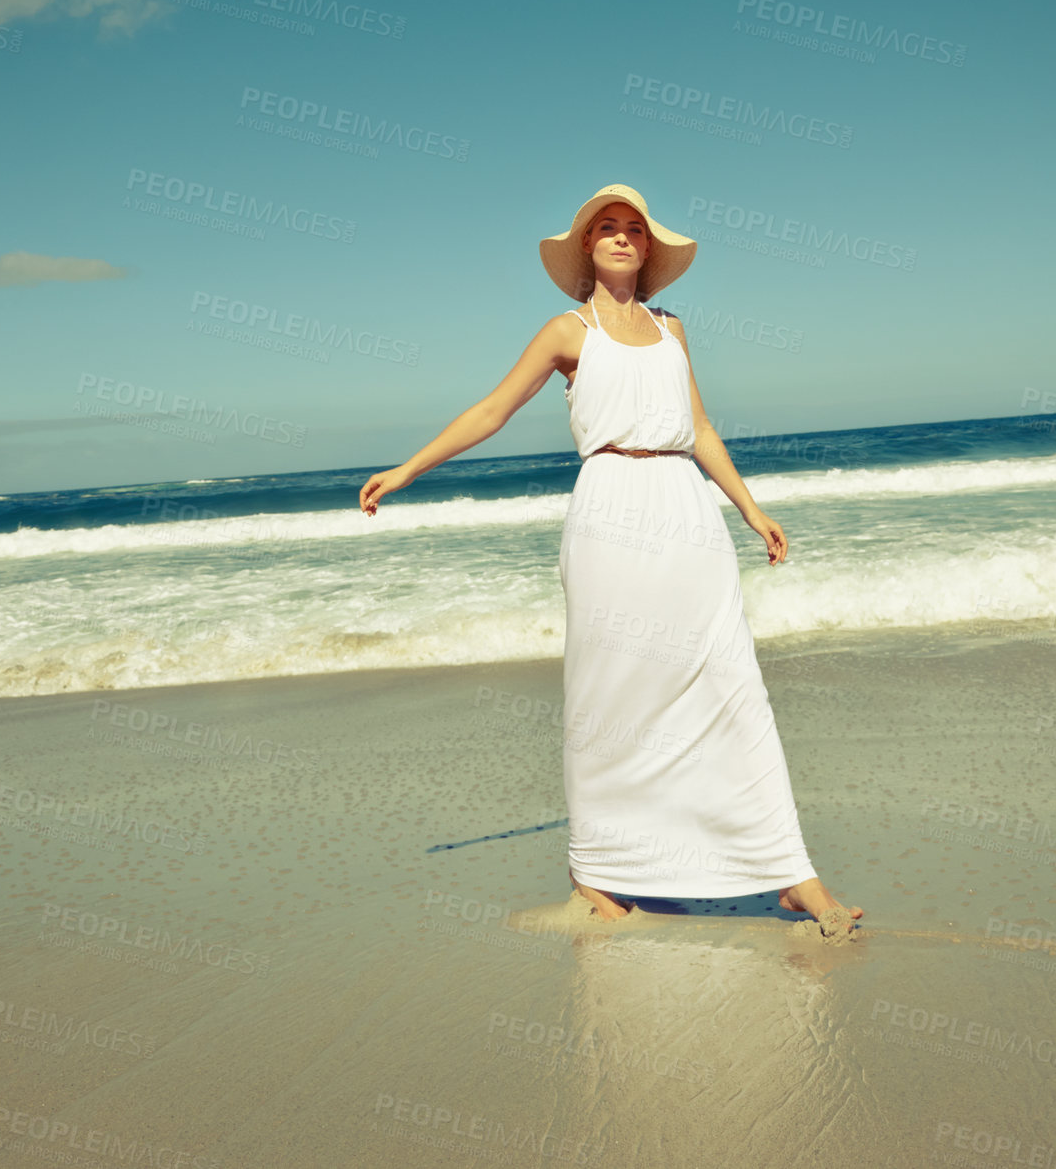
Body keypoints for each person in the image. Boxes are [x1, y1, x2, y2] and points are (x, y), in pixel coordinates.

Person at [359, 184, 863, 939]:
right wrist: (406, 470)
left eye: (635, 229)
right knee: (609, 691)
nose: (623, 237)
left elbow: (698, 429)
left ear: (648, 249)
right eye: (609, 229)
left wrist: (751, 510)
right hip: (608, 512)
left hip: (685, 511)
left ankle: (790, 874)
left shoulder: (673, 330)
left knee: (731, 684)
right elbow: (492, 410)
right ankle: (597, 871)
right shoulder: (567, 331)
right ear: (587, 246)